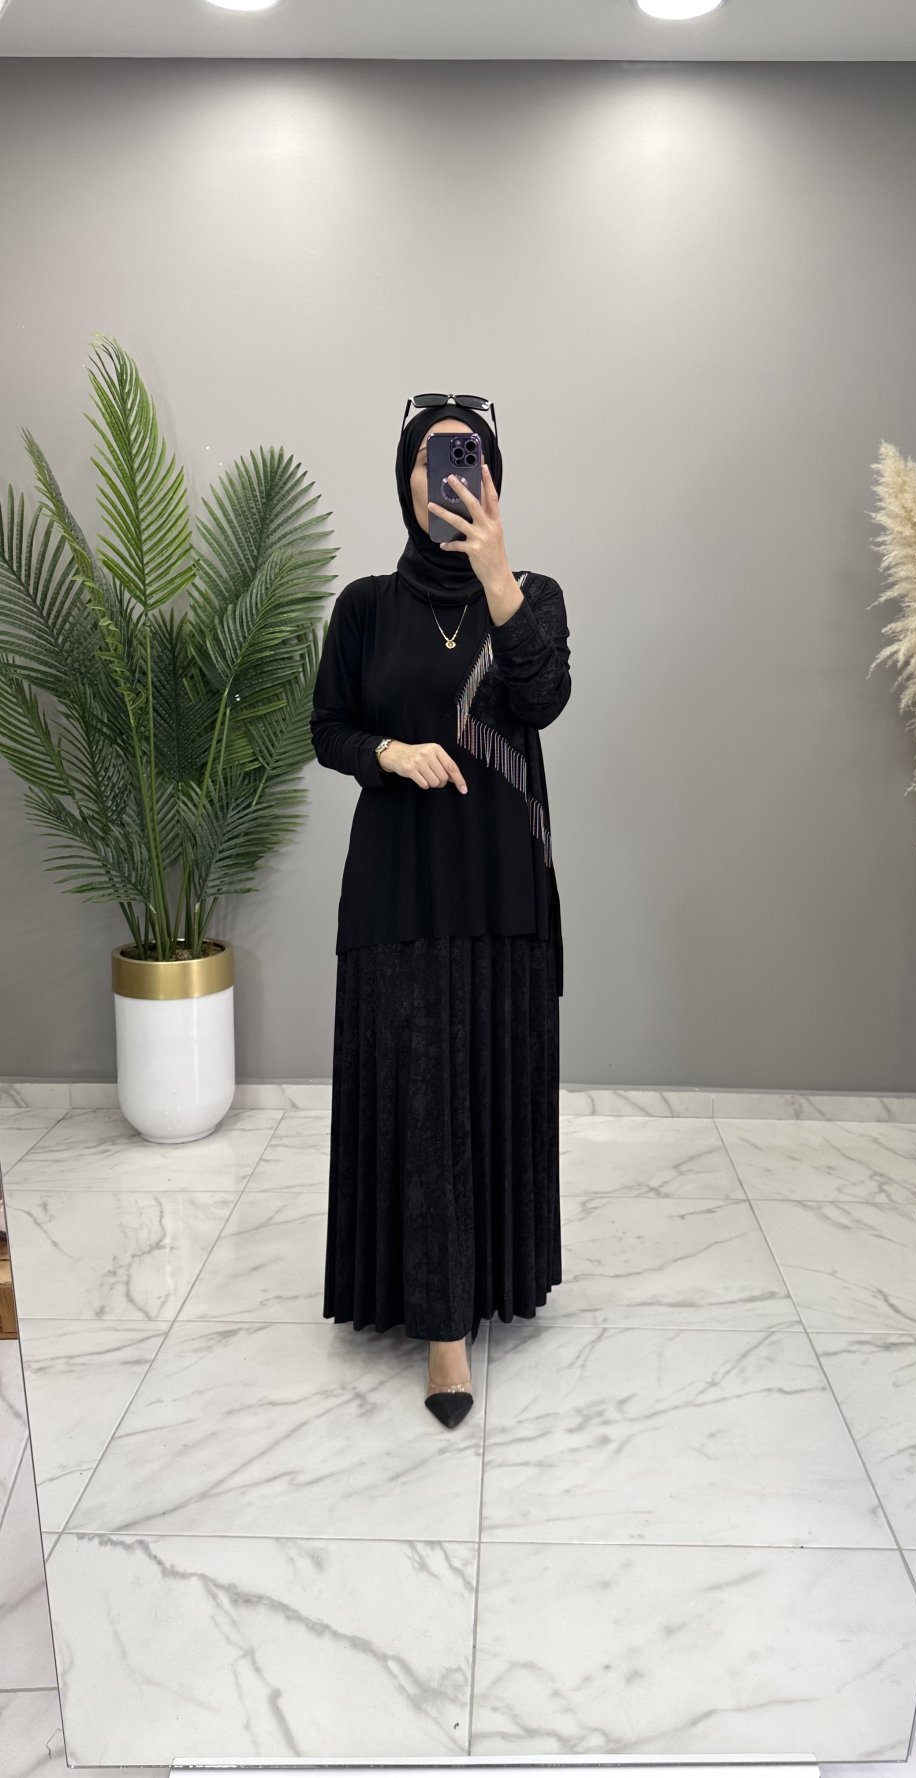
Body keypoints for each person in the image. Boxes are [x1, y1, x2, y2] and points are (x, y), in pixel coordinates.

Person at [309, 394, 571, 1428]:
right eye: (430, 459)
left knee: (491, 1082)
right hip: (399, 884)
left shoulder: (533, 595)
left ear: (491, 479)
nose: (446, 477)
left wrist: (498, 575)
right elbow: (327, 726)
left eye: (465, 460)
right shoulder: (364, 606)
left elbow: (541, 699)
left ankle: (490, 1278)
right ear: (405, 479)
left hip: (503, 885)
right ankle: (442, 1332)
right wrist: (386, 751)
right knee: (419, 1096)